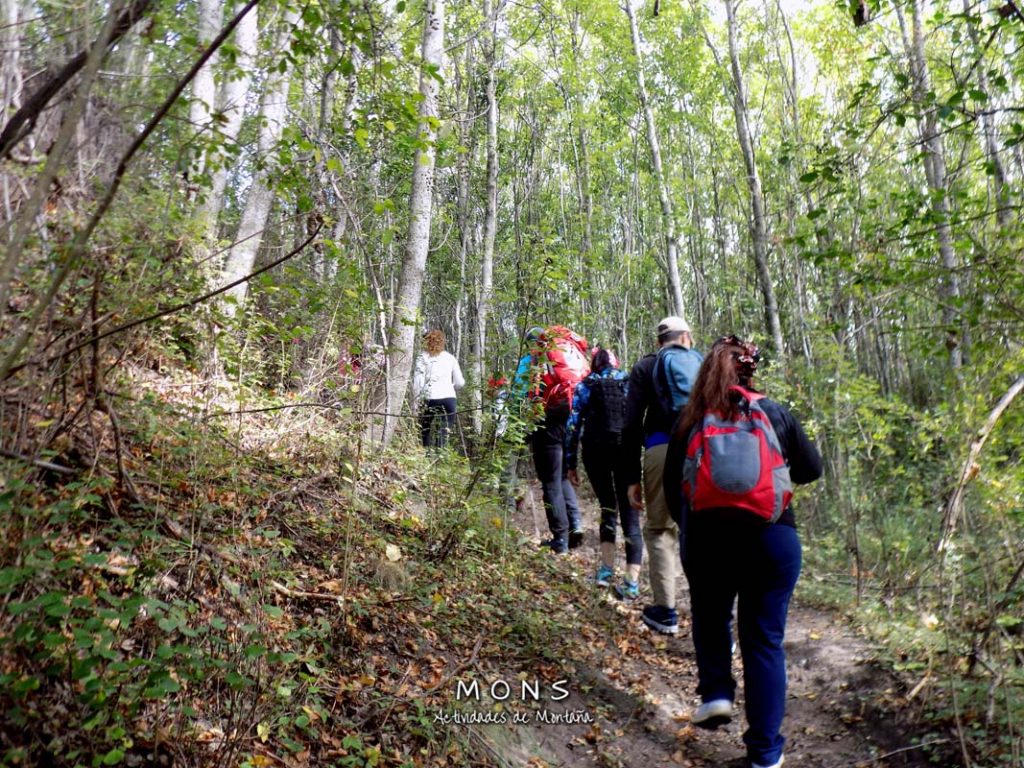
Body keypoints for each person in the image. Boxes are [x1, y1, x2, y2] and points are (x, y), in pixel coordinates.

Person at [665, 335, 822, 768]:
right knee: (764, 642)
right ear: (749, 371)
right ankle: (765, 755)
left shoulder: (690, 418)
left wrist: (698, 531)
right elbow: (813, 469)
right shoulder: (773, 411)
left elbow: (673, 492)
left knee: (712, 617)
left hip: (709, 540)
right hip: (773, 539)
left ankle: (716, 693)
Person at [622, 316, 703, 635]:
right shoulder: (702, 364)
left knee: (659, 530)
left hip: (659, 449)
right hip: (701, 450)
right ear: (687, 337)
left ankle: (666, 612)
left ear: (659, 341)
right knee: (701, 531)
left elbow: (630, 424)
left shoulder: (645, 367)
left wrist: (632, 477)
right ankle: (710, 616)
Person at [565, 347, 643, 599]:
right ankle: (631, 581)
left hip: (595, 452)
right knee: (630, 514)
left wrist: (570, 462)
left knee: (608, 507)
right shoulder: (627, 382)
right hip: (624, 451)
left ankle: (606, 571)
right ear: (615, 362)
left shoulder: (586, 385)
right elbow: (636, 420)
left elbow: (573, 424)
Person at [514, 325, 587, 553]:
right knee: (562, 474)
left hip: (549, 418)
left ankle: (560, 541)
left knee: (550, 480)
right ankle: (575, 523)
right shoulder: (566, 351)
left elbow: (521, 391)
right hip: (574, 415)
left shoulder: (533, 359)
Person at [413, 329, 465, 449]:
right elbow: (460, 383)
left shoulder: (422, 357)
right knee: (444, 431)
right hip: (449, 398)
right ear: (442, 342)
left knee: (424, 429)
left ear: (426, 342)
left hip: (429, 398)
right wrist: (450, 387)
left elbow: (418, 382)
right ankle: (440, 458)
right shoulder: (450, 358)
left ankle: (425, 455)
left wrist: (416, 402)